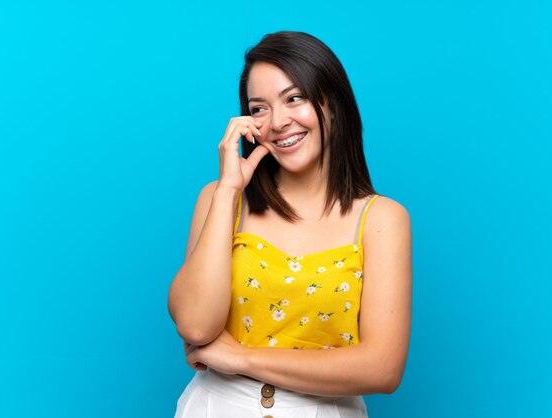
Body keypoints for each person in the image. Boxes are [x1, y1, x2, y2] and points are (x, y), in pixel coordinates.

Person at [168, 31, 412, 417]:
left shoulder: (381, 219)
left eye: (294, 98)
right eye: (259, 108)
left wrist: (242, 358)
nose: (278, 122)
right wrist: (230, 189)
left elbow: (383, 369)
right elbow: (195, 328)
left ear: (332, 102)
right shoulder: (219, 198)